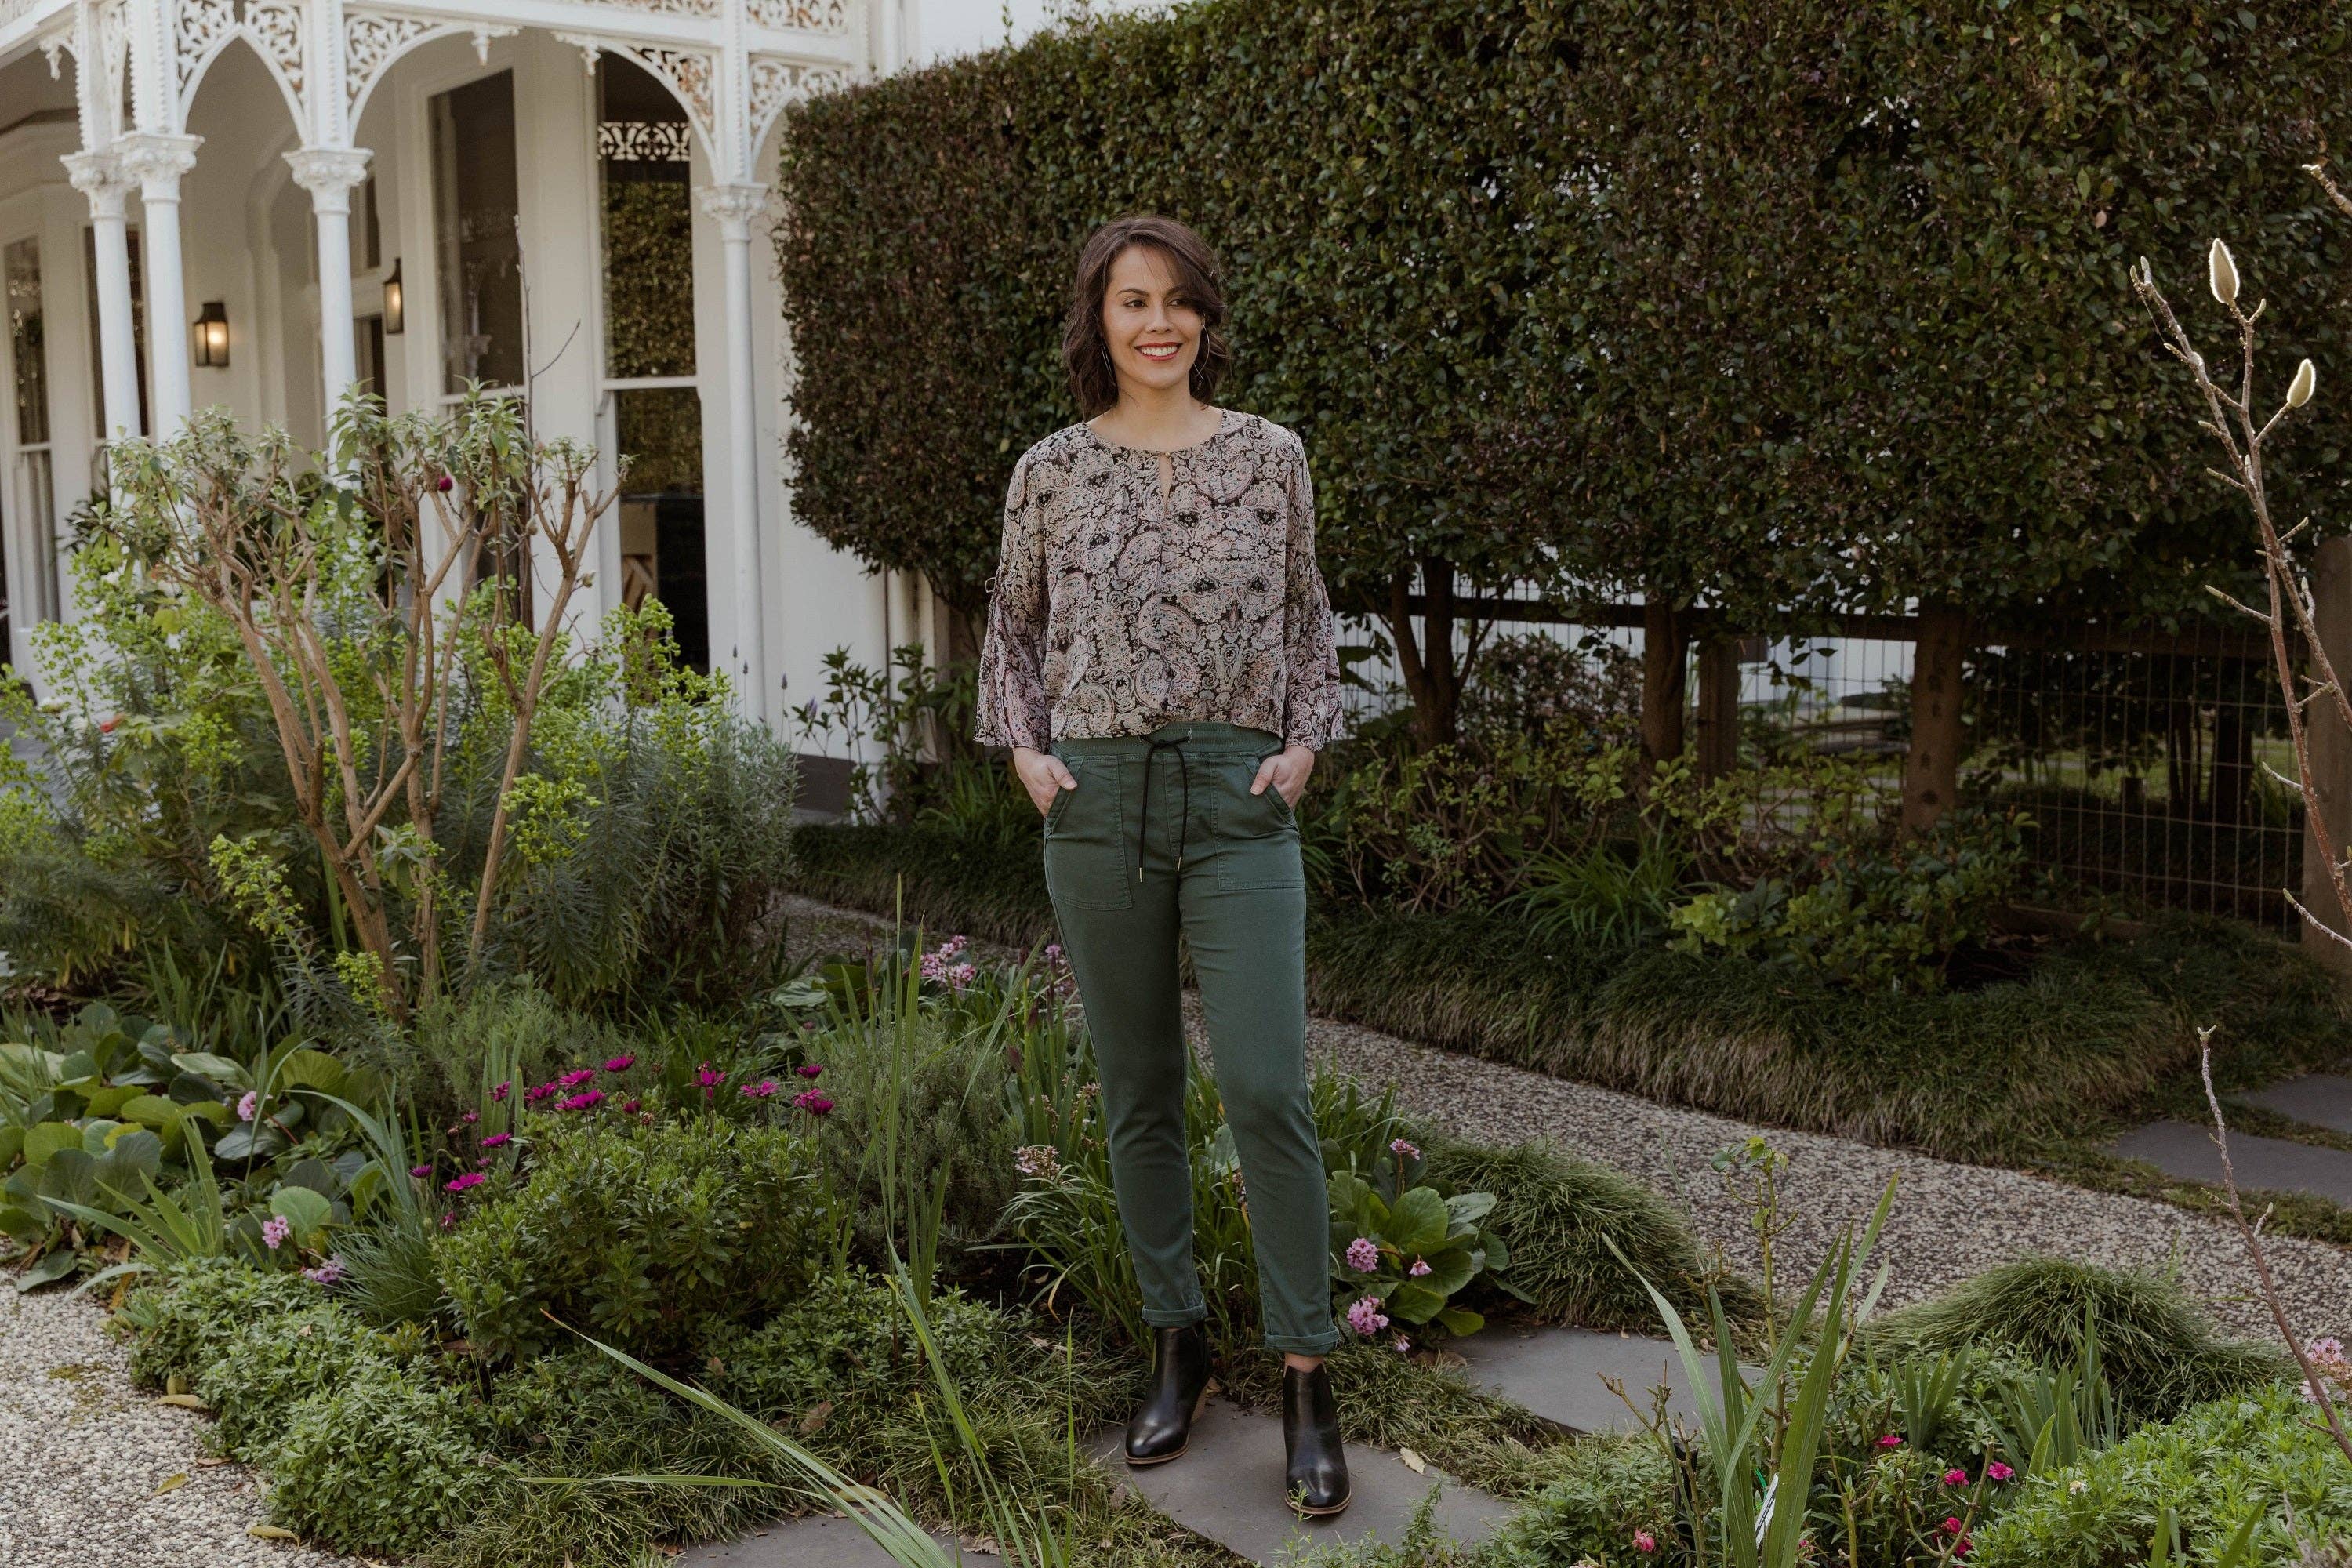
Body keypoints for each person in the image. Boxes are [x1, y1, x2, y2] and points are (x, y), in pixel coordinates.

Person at [972, 213, 1348, 1516]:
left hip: (1239, 795)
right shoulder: (1050, 471)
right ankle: (1176, 1345)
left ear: (1204, 317)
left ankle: (1307, 1375)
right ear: (1100, 318)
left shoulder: (1271, 456)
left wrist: (1306, 743)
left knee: (1266, 1088)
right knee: (1138, 1087)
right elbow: (1013, 627)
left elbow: (1306, 609)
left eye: (1179, 300)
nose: (1159, 322)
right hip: (1101, 792)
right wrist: (1030, 756)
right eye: (1134, 300)